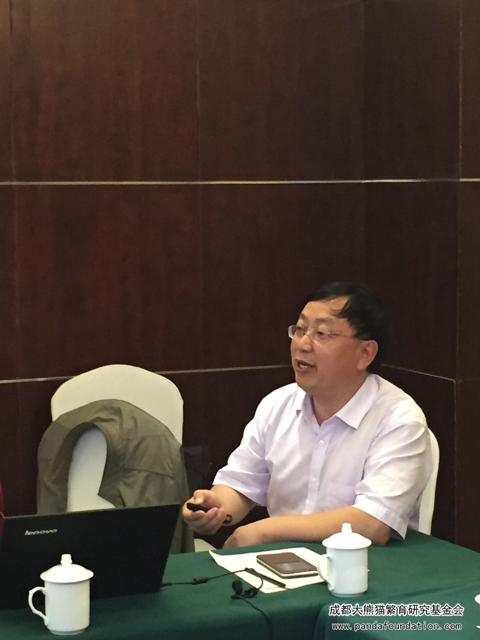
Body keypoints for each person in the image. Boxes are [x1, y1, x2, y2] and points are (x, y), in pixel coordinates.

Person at [182, 281, 432, 548]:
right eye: (300, 330)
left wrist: (265, 531)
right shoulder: (277, 404)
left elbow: (373, 523)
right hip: (283, 563)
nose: (302, 344)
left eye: (322, 333)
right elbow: (242, 484)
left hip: (364, 566)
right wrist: (216, 506)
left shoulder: (399, 420)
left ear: (365, 353)